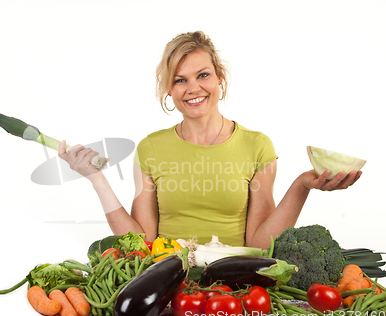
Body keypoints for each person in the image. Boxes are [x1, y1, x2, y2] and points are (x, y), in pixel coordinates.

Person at [58, 31, 361, 249]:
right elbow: (142, 242)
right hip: (168, 285)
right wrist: (96, 178)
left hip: (233, 288)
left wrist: (301, 186)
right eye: (180, 79)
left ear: (220, 79)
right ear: (169, 91)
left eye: (203, 75)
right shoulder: (151, 148)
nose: (193, 88)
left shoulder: (257, 146)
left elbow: (258, 243)